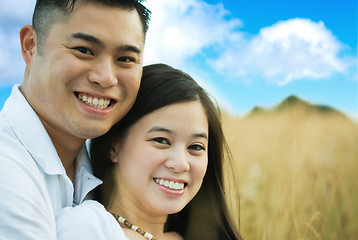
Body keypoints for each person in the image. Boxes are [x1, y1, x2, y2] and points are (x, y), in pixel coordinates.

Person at [0, 0, 150, 239]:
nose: (106, 78)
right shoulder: (6, 171)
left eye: (125, 59)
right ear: (31, 45)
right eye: (84, 50)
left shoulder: (113, 165)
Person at [57, 63, 242, 239]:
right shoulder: (88, 228)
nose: (180, 164)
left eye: (196, 147)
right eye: (161, 140)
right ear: (115, 145)